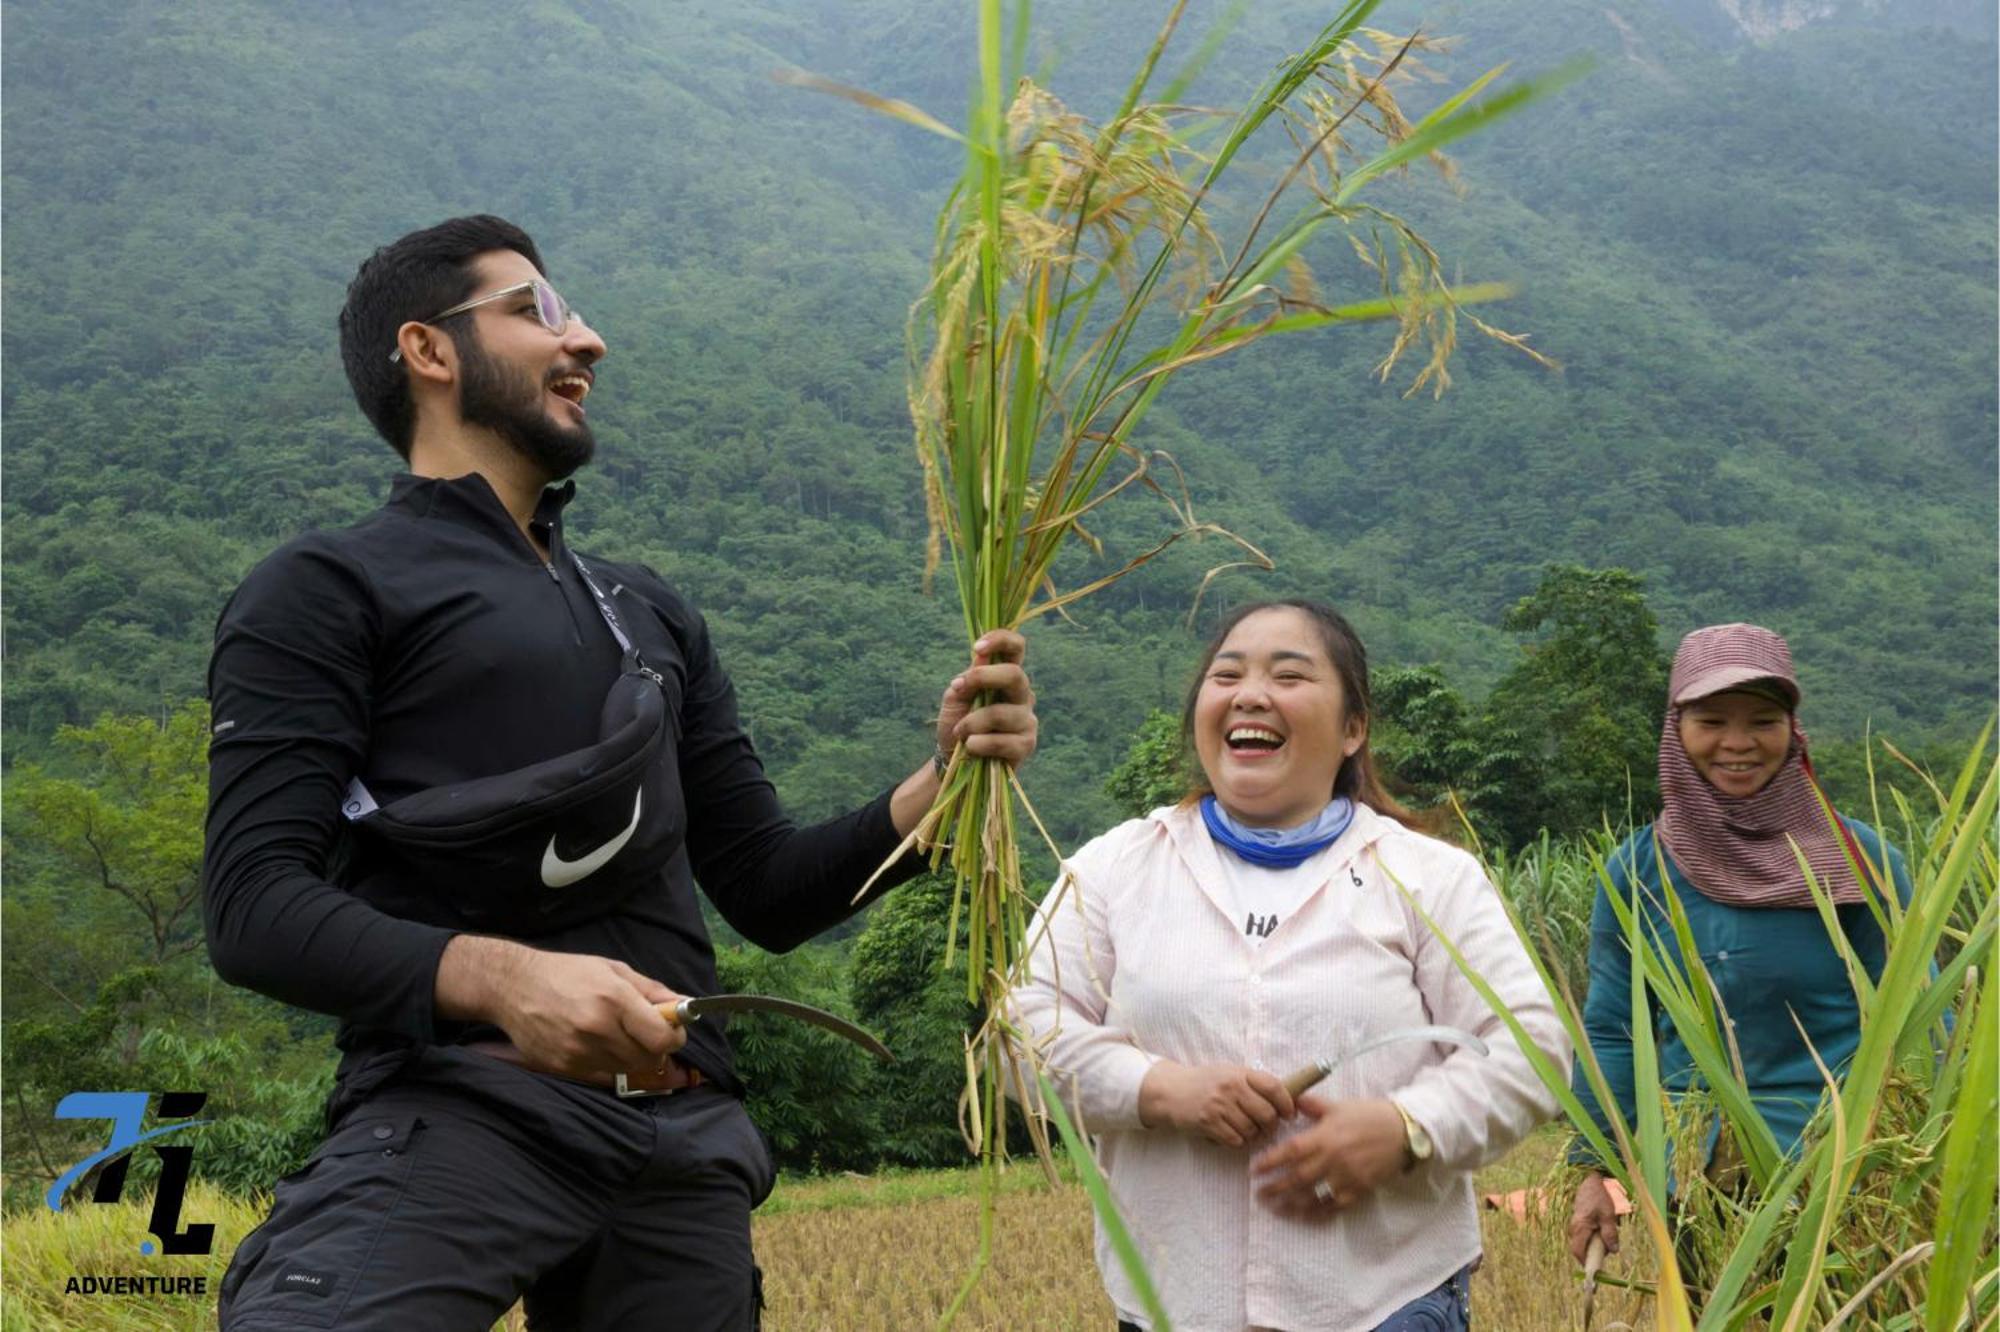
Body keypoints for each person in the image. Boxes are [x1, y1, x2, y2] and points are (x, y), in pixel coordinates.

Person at [201, 215, 1039, 1331]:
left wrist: (938, 787)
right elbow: (253, 905)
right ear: (429, 350)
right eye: (535, 310)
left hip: (683, 1146)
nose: (586, 339)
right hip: (465, 1108)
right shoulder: (321, 589)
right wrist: (507, 981)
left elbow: (766, 888)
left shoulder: (649, 613)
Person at [1013, 600, 1567, 1332]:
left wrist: (1407, 1129)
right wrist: (1160, 1090)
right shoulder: (1116, 868)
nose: (1250, 694)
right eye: (1227, 674)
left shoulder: (1429, 877)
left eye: (1290, 675)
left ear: (1352, 729)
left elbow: (1530, 1051)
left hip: (1388, 1304)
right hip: (1169, 1308)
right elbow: (1020, 1031)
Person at [1565, 623, 1911, 1268]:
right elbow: (1614, 1030)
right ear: (1678, 732)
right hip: (1702, 1189)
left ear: (1792, 729)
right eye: (1712, 720)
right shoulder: (1639, 873)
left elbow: (1918, 1014)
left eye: (1763, 720)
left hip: (1849, 1179)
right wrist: (1593, 1166)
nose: (1738, 743)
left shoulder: (1859, 859)